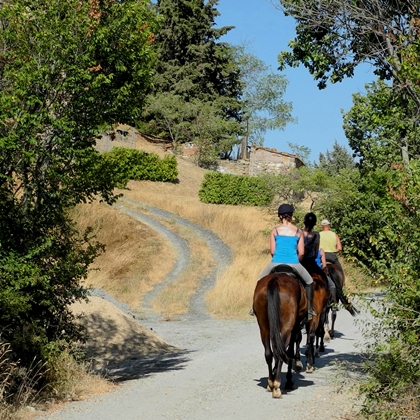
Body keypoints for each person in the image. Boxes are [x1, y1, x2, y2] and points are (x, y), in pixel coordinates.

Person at [256, 204, 316, 320]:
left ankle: (254, 307)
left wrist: (279, 258)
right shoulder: (298, 232)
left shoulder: (275, 231)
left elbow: (272, 251)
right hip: (294, 263)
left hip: (275, 262)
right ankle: (309, 310)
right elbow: (302, 253)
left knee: (260, 281)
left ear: (280, 216)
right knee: (309, 281)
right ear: (291, 216)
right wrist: (295, 262)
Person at [302, 213, 337, 305]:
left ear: (304, 222)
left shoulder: (299, 233)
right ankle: (333, 304)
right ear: (314, 223)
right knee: (331, 284)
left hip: (301, 263)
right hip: (312, 264)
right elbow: (315, 252)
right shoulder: (316, 235)